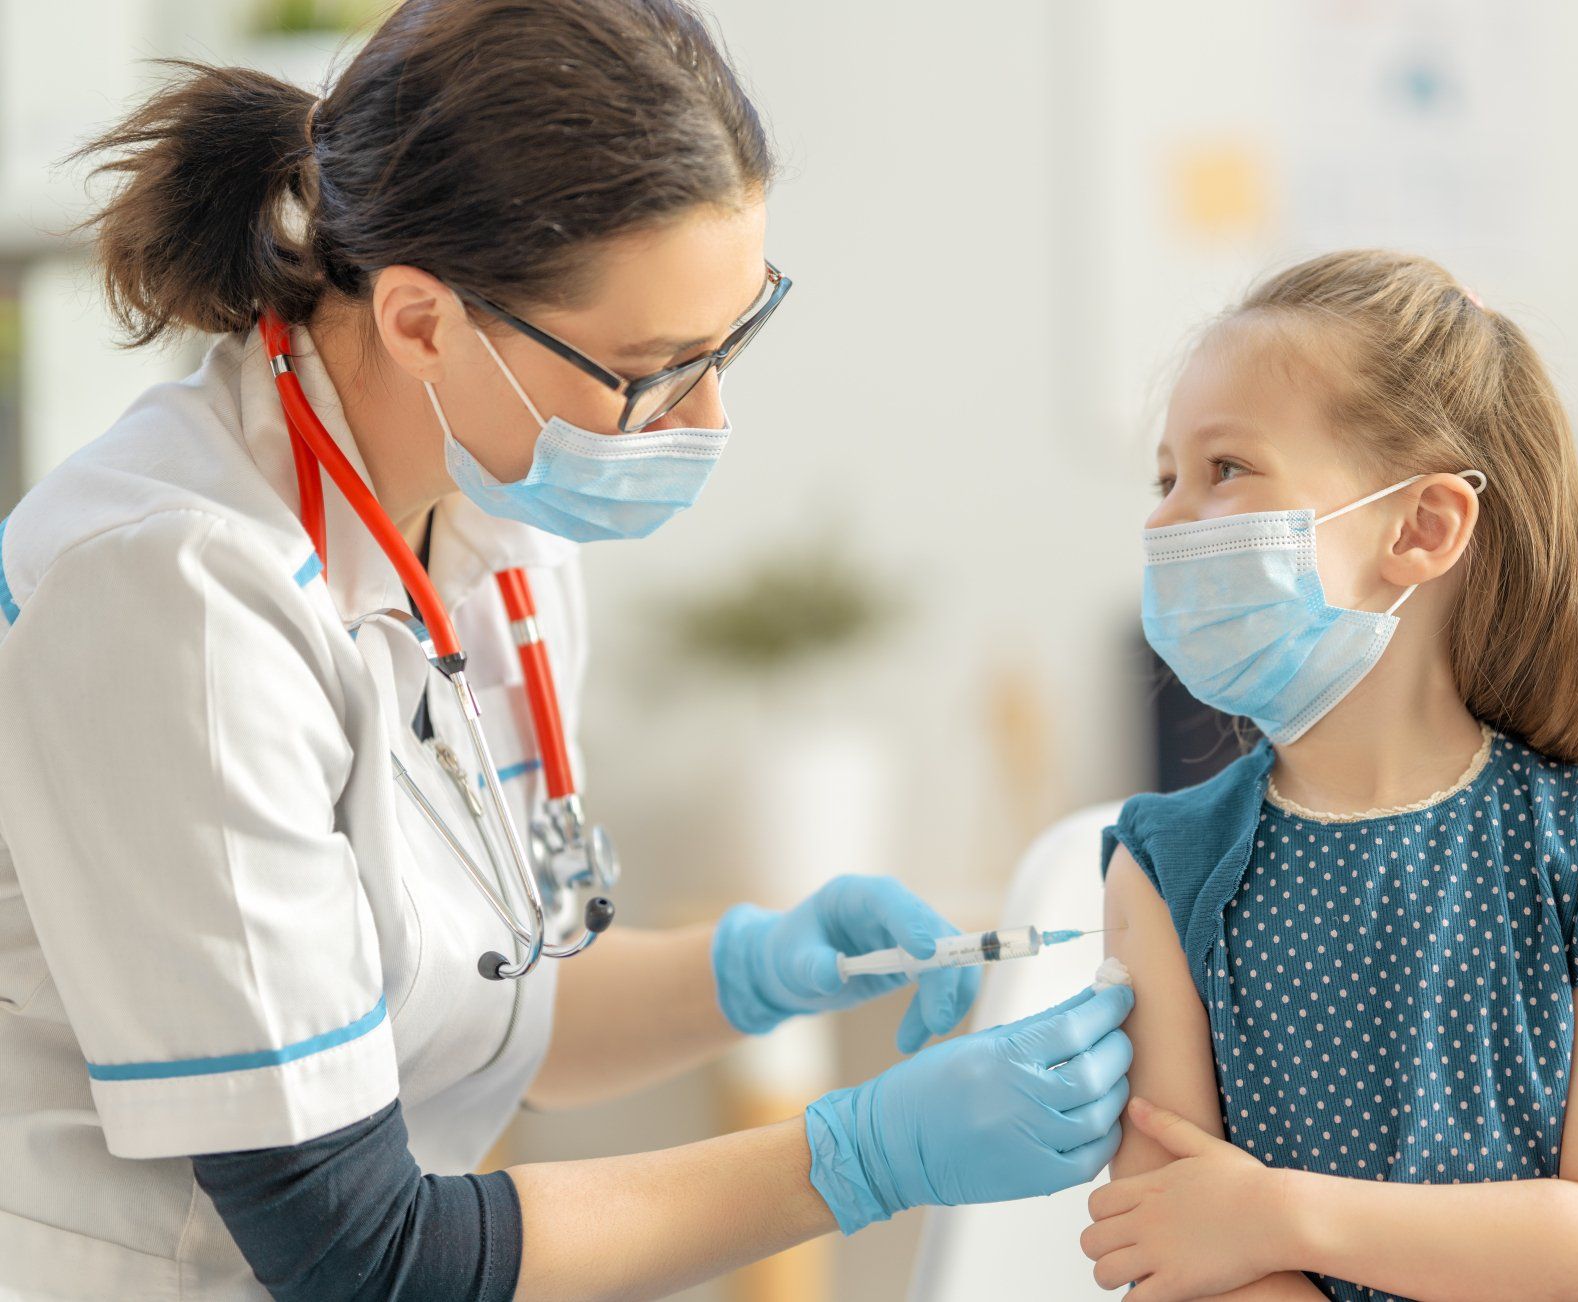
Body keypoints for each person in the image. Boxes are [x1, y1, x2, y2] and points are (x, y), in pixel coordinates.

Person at [0, 2, 1132, 1297]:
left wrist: (756, 968)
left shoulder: (499, 521)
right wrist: (859, 1157)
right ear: (424, 320)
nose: (705, 418)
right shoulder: (178, 595)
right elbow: (356, 1248)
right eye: (650, 368)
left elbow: (491, 1023)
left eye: (729, 342)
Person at [1080, 250, 1578, 1301]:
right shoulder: (1164, 868)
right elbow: (1173, 1250)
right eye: (1165, 478)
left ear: (1421, 527)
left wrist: (1284, 1213)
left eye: (1224, 468)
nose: (1165, 518)